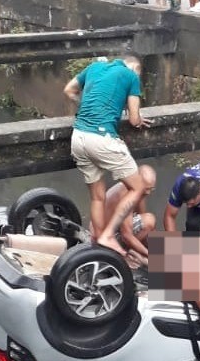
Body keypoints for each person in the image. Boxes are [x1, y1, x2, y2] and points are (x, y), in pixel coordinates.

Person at [63, 55, 152, 258]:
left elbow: (69, 90)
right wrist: (137, 121)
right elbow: (134, 118)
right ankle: (109, 235)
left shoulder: (95, 67)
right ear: (135, 69)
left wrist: (88, 106)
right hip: (102, 139)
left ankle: (98, 245)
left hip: (78, 137)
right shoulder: (131, 76)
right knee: (138, 187)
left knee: (97, 197)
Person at [94, 164, 157, 265]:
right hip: (107, 238)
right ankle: (129, 254)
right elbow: (126, 235)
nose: (148, 192)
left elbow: (142, 216)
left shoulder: (138, 189)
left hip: (116, 229)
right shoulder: (126, 194)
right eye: (146, 189)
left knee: (149, 225)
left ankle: (141, 253)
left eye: (151, 189)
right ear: (138, 181)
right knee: (149, 220)